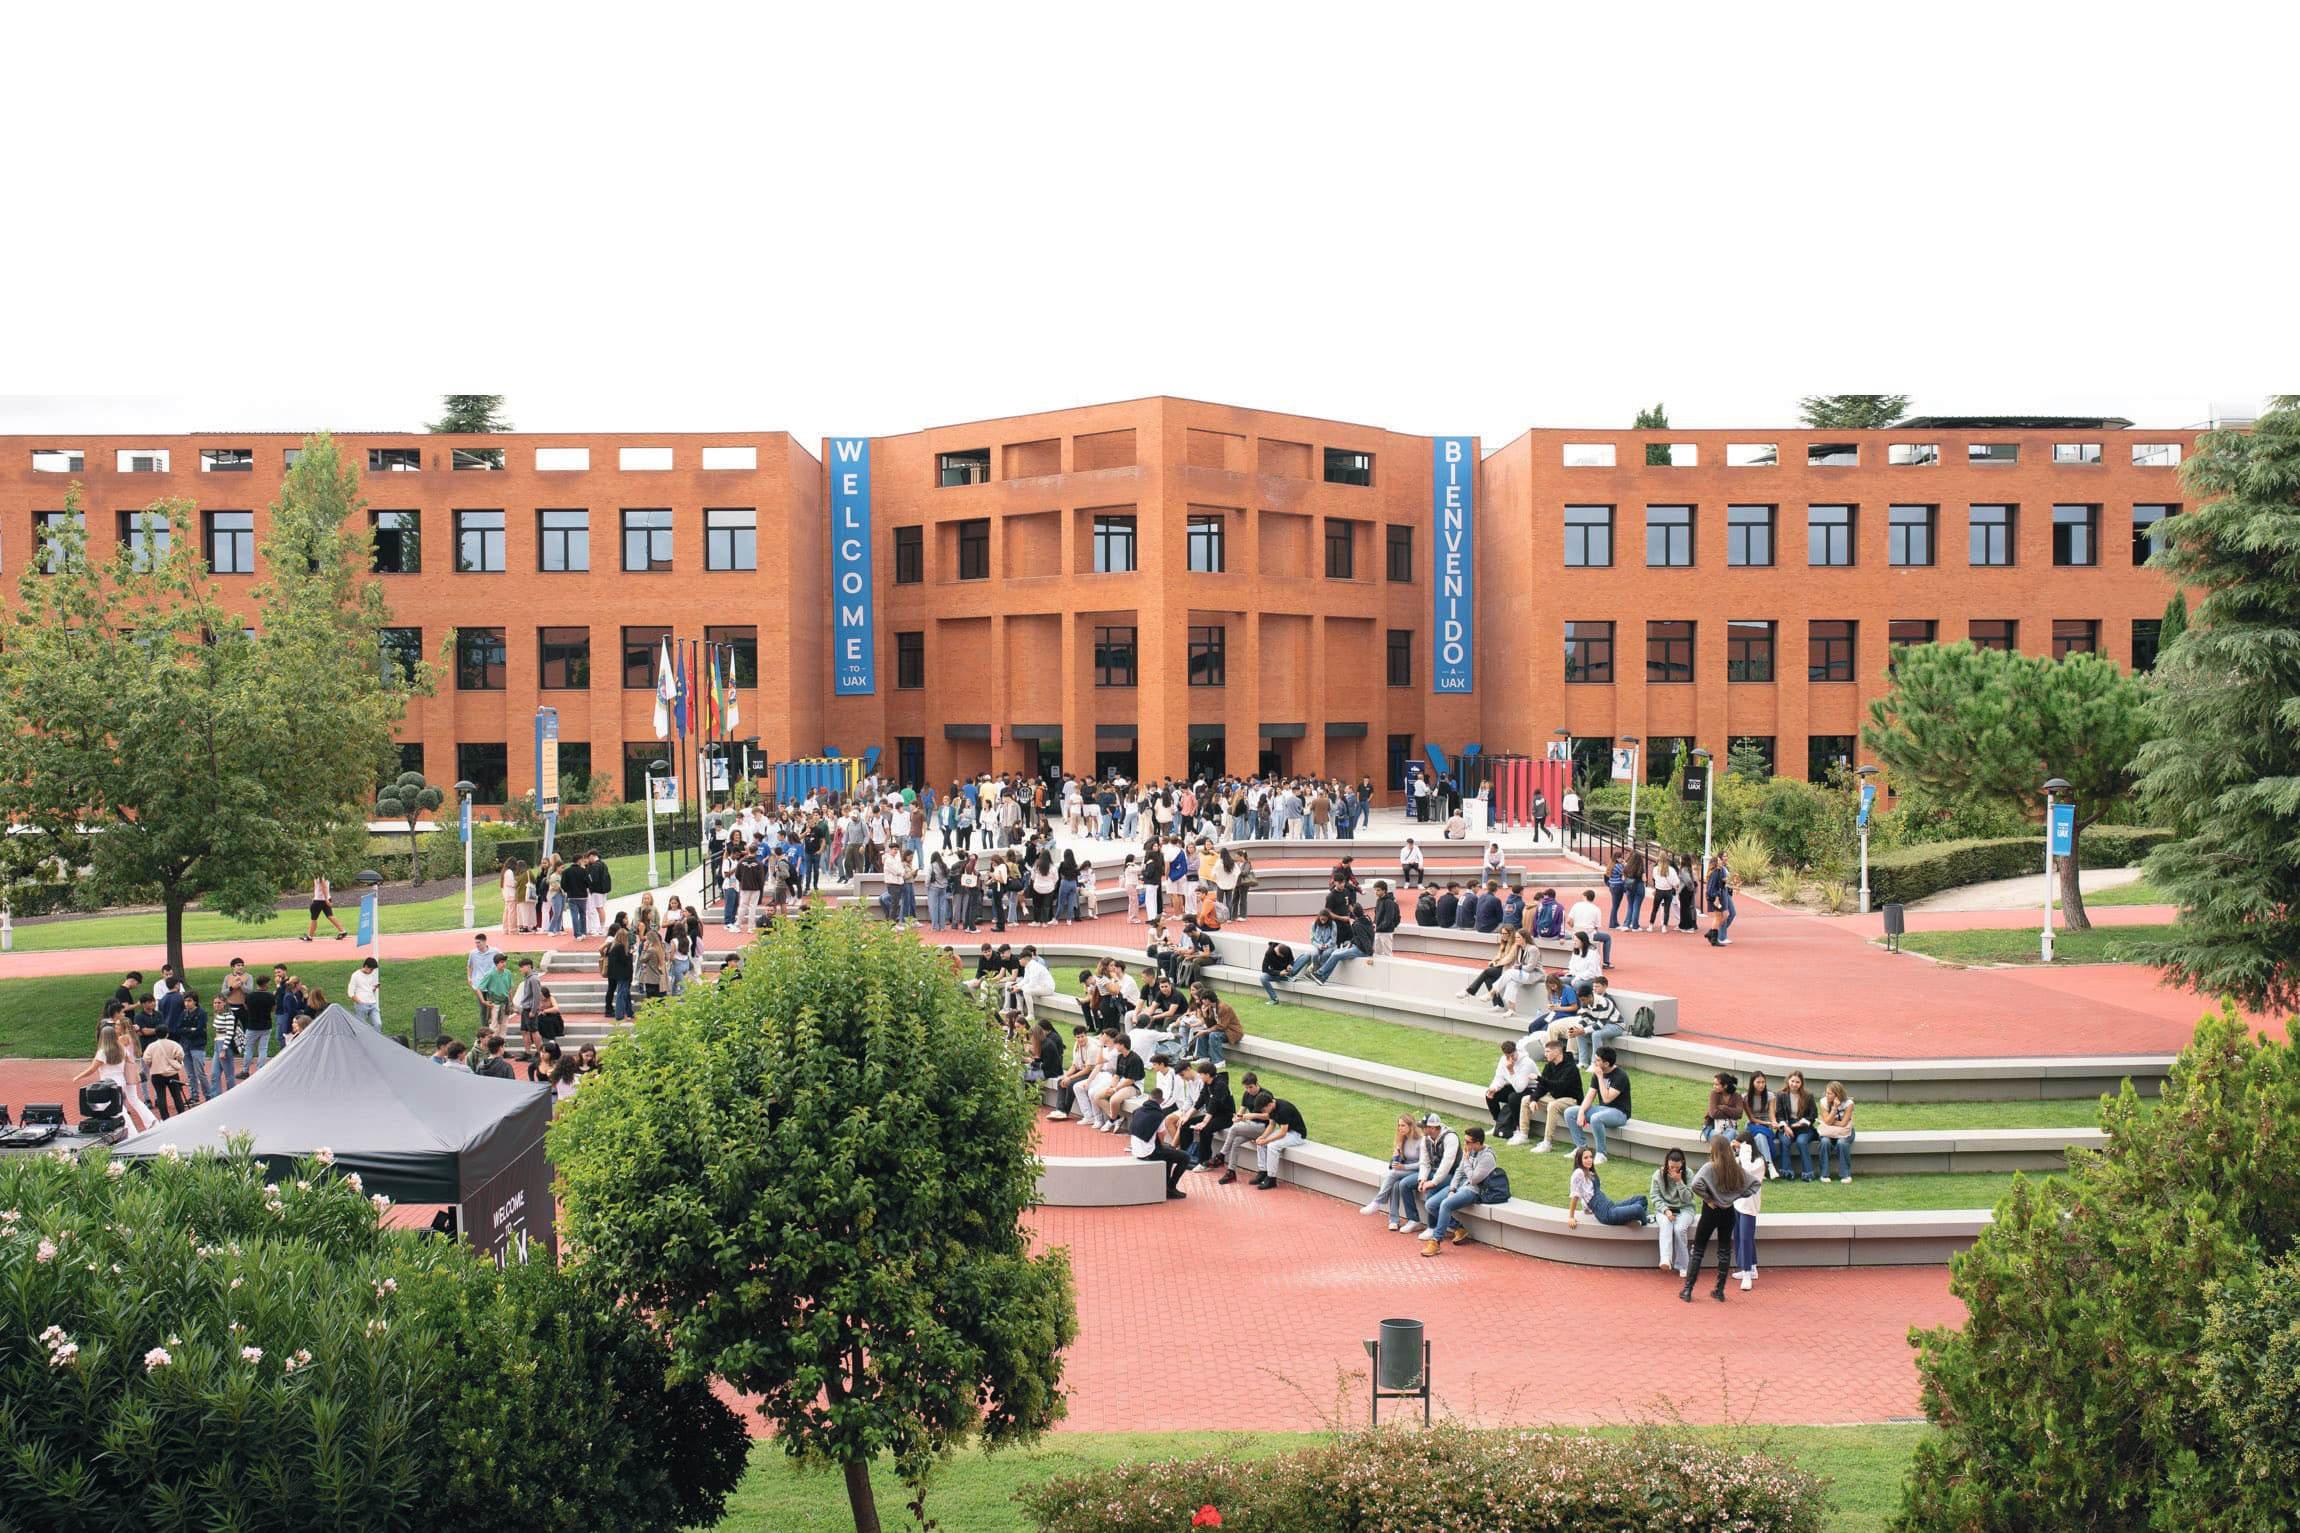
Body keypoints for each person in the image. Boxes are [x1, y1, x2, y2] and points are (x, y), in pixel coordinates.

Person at [1422, 1127, 1510, 1256]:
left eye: (1468, 1142)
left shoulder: (1487, 1157)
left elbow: (1474, 1179)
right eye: (1465, 1141)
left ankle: (1436, 1241)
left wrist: (1467, 1160)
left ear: (1478, 1143)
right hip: (1459, 1186)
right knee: (1430, 1205)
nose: (1465, 1144)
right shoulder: (1469, 1150)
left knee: (1445, 1204)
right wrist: (1452, 1189)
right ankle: (1459, 1229)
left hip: (1474, 1190)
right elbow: (1459, 1171)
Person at [1682, 1137, 1748, 1302]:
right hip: (1728, 1211)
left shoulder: (1709, 1167)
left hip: (1710, 1212)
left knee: (1698, 1249)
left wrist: (1709, 1199)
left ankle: (1688, 1289)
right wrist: (1731, 1199)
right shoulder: (1735, 1168)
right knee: (1724, 1251)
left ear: (1714, 1150)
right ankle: (1719, 1291)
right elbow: (1744, 1186)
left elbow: (1695, 1184)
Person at [75, 1025, 159, 1133]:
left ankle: (131, 1132)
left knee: (118, 1110)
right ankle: (148, 1123)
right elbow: (129, 1061)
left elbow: (92, 1069)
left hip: (108, 1084)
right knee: (124, 1105)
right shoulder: (121, 1049)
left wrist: (78, 1076)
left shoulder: (103, 1052)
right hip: (121, 1080)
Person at [1126, 1069, 1193, 1199]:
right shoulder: (1158, 1115)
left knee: (1169, 1153)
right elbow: (1161, 1137)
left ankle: (1165, 1185)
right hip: (1148, 1153)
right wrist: (1163, 1147)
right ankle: (1171, 1187)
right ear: (1161, 1101)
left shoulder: (1138, 1111)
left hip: (1136, 1149)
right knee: (1185, 1157)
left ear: (1149, 1097)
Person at [1512, 1037, 1583, 1151]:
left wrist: (1539, 1078)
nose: (1545, 1054)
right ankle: (1523, 1135)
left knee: (1553, 1105)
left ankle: (1547, 1143)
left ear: (1557, 1052)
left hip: (1572, 1100)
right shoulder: (1549, 1065)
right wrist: (1534, 1099)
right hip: (1555, 1098)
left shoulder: (1571, 1068)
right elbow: (1542, 1087)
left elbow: (1559, 1086)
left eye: (1548, 1051)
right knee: (1526, 1099)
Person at [1563, 1046, 1632, 1162]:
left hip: (1619, 1113)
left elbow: (1607, 1098)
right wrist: (1581, 1112)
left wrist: (1600, 1077)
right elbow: (1590, 1095)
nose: (1595, 1062)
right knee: (1570, 1112)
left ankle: (1601, 1154)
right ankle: (1581, 1149)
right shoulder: (1597, 1073)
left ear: (1606, 1063)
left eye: (1598, 1060)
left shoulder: (1620, 1076)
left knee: (1596, 1118)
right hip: (1602, 1109)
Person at [1360, 1114, 1424, 1223]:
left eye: (1403, 1125)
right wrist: (1396, 1155)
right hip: (1404, 1171)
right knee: (1395, 1185)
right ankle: (1394, 1220)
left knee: (1393, 1174)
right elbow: (1395, 1163)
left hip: (1418, 1172)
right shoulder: (1402, 1139)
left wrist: (1403, 1167)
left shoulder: (1421, 1141)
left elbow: (1423, 1164)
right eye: (1399, 1125)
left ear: (1411, 1126)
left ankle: (1377, 1202)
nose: (1400, 1128)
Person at [1565, 1144, 1647, 1229]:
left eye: (1591, 1157)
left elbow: (1587, 1193)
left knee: (1642, 1199)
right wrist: (1571, 1217)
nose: (1589, 1160)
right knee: (1638, 1209)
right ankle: (1645, 1221)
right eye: (1585, 1158)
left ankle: (1634, 1218)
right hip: (1605, 1214)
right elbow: (1575, 1196)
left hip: (1610, 1206)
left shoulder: (1590, 1173)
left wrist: (1587, 1209)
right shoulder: (1578, 1172)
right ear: (1579, 1160)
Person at [1731, 1135, 1775, 1289]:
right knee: (1739, 1236)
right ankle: (1752, 1268)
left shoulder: (1759, 1162)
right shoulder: (1740, 1158)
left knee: (1746, 1238)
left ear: (1747, 1146)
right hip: (1737, 1202)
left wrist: (1744, 1149)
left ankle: (1747, 1273)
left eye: (1740, 1146)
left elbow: (1747, 1172)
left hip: (1749, 1205)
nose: (1738, 1149)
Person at [1210, 1072, 1275, 1173]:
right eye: (1246, 1088)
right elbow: (1242, 1110)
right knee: (1236, 1141)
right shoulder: (1246, 1094)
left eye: (1250, 1087)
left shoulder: (1266, 1095)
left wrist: (1253, 1115)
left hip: (1264, 1127)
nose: (1249, 1090)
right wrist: (1237, 1117)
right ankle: (1231, 1171)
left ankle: (1221, 1155)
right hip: (1251, 1127)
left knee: (1234, 1128)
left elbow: (1271, 1116)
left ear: (1256, 1083)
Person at [1241, 1092, 1308, 1190]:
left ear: (1270, 1104)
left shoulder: (1284, 1109)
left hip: (1297, 1135)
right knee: (1261, 1142)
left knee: (1272, 1146)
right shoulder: (1272, 1107)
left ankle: (1271, 1178)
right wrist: (1262, 1137)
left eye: (1264, 1109)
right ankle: (1263, 1172)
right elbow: (1271, 1125)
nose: (1263, 1112)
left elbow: (1282, 1132)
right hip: (1287, 1132)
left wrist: (1267, 1140)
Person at [1650, 1147, 1699, 1275]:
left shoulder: (1689, 1173)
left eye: (1677, 1167)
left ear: (1682, 1163)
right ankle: (1666, 1259)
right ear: (1667, 1163)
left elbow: (1688, 1199)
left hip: (1685, 1208)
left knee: (1679, 1229)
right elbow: (1655, 1197)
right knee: (1666, 1224)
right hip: (1665, 1208)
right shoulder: (1658, 1175)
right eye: (1671, 1166)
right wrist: (1666, 1210)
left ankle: (1683, 1265)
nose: (1674, 1170)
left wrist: (1679, 1181)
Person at [1483, 1038, 1533, 1135]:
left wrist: (1511, 1070)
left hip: (1530, 1088)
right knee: (1490, 1094)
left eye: (1512, 1055)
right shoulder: (1503, 1060)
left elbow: (1520, 1088)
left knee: (1513, 1098)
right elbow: (1499, 1077)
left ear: (1516, 1051)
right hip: (1515, 1086)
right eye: (1507, 1056)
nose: (1510, 1059)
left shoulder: (1527, 1062)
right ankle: (1499, 1124)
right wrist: (1494, 1088)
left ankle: (1519, 1128)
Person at [1778, 1071, 1821, 1181]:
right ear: (1788, 1081)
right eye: (1792, 1081)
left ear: (1801, 1083)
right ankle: (1787, 1172)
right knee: (1785, 1141)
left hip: (1804, 1127)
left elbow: (1813, 1115)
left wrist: (1802, 1122)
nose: (1794, 1084)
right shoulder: (1781, 1095)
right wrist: (1785, 1127)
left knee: (1801, 1142)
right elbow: (1779, 1115)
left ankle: (1808, 1173)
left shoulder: (1808, 1096)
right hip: (1787, 1126)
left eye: (1797, 1082)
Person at [144, 1027, 189, 1119]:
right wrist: (177, 1061)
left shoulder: (151, 1046)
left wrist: (152, 1065)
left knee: (160, 1096)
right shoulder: (174, 1044)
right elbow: (180, 1055)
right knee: (176, 1095)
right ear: (167, 1034)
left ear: (156, 1034)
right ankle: (182, 1115)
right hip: (172, 1074)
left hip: (156, 1074)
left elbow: (146, 1059)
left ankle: (165, 1118)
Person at [1817, 1079, 1857, 1181]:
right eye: (1826, 1092)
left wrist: (1830, 1122)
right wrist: (1834, 1108)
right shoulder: (1823, 1102)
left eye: (1829, 1093)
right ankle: (1824, 1174)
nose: (1827, 1095)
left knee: (1841, 1143)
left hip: (1845, 1132)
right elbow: (1829, 1121)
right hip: (1828, 1132)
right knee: (1825, 1142)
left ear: (1837, 1095)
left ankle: (1845, 1175)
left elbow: (1843, 1123)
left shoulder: (1849, 1103)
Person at [1567, 888, 1613, 968]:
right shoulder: (1596, 909)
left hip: (1576, 933)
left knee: (1566, 933)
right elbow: (1596, 927)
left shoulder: (1576, 905)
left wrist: (1574, 927)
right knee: (1607, 938)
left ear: (1585, 896)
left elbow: (1568, 921)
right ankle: (1606, 962)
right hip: (1589, 934)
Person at [600, 929, 636, 1022]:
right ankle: (619, 1014)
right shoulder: (621, 947)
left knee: (625, 993)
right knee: (622, 993)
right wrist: (630, 954)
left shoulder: (612, 946)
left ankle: (629, 1012)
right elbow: (625, 961)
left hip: (614, 973)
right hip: (623, 974)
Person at [1701, 1071, 1746, 1144]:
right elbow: (1713, 1114)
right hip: (1711, 1129)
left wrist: (1724, 1108)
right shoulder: (1714, 1094)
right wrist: (1732, 1113)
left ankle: (1721, 1149)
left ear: (1725, 1086)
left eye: (1716, 1084)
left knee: (1731, 1133)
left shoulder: (1737, 1096)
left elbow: (1739, 1114)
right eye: (1714, 1084)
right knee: (1725, 1138)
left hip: (1729, 1129)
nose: (1714, 1086)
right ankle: (1724, 1149)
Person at [480, 952, 517, 1034]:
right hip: (495, 1004)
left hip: (505, 1003)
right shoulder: (490, 974)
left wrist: (512, 1002)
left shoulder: (508, 973)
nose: (504, 964)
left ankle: (502, 1042)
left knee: (504, 1026)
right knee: (494, 1026)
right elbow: (479, 988)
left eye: (504, 962)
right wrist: (483, 1001)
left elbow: (509, 989)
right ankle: (492, 1041)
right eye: (501, 962)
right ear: (496, 963)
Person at [304, 874, 348, 941]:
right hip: (324, 898)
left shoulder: (320, 876)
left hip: (319, 900)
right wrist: (325, 899)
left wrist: (326, 900)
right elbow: (318, 887)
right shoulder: (326, 875)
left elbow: (324, 887)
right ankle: (343, 931)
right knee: (330, 916)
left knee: (314, 918)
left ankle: (310, 936)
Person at [1706, 852, 1737, 946]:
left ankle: (1712, 935)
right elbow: (1712, 888)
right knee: (1719, 917)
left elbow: (1721, 884)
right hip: (1715, 898)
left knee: (1721, 917)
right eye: (1719, 860)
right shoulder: (1715, 873)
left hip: (1718, 897)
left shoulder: (1719, 871)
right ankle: (1715, 938)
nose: (1721, 861)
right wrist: (1716, 898)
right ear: (1716, 863)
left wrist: (1728, 882)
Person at [343, 958, 380, 1029]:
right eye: (371, 969)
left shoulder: (372, 975)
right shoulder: (355, 975)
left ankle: (376, 1036)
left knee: (378, 1024)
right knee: (361, 1027)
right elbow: (350, 992)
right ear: (366, 966)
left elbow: (370, 989)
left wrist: (375, 987)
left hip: (373, 1003)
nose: (372, 971)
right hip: (361, 1004)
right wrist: (359, 1002)